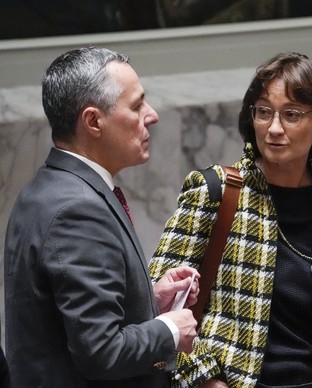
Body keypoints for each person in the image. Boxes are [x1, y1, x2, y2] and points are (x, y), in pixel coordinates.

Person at [149, 52, 312, 387]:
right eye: (263, 112)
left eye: (292, 115)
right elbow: (157, 307)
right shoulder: (216, 191)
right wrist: (203, 380)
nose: (274, 128)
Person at [3, 47, 200, 388]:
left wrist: (146, 299)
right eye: (137, 106)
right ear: (93, 121)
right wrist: (169, 329)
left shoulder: (48, 187)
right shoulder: (76, 210)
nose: (151, 115)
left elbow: (67, 317)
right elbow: (101, 351)